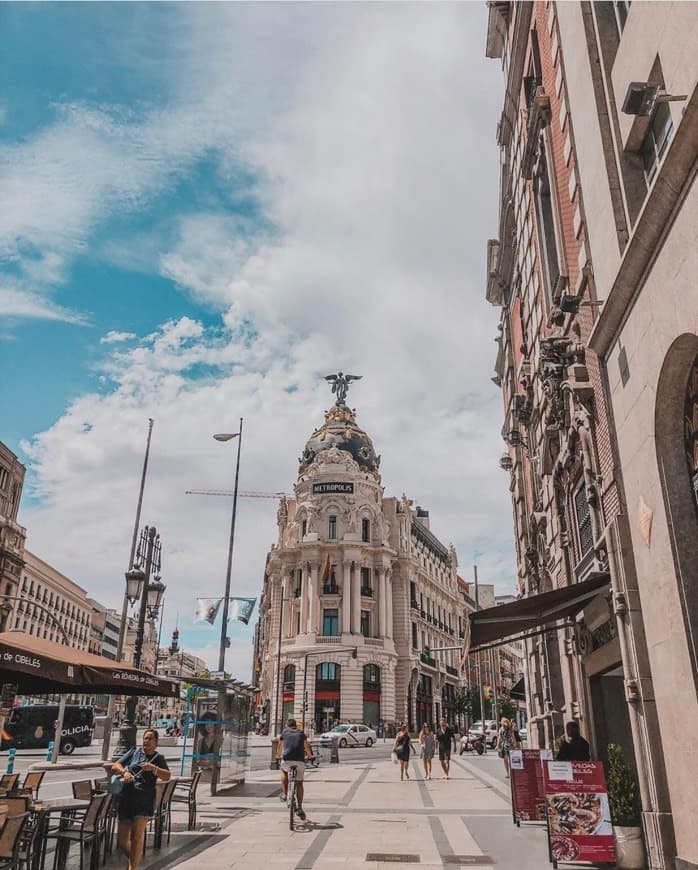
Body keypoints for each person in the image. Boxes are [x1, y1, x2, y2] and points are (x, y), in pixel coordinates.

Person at [112, 729, 171, 870]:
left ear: (156, 743)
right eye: (145, 738)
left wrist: (154, 769)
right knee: (121, 840)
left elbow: (167, 776)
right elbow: (115, 765)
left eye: (150, 739)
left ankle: (133, 867)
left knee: (136, 837)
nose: (146, 741)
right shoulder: (134, 752)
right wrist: (124, 772)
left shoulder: (158, 758)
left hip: (144, 800)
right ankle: (135, 861)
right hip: (127, 798)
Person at [275, 718, 314, 821]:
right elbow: (307, 746)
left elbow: (279, 746)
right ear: (296, 726)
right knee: (300, 783)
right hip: (299, 761)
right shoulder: (301, 733)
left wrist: (278, 755)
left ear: (287, 725)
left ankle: (284, 793)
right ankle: (300, 807)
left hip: (287, 760)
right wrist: (309, 756)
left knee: (284, 770)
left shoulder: (284, 732)